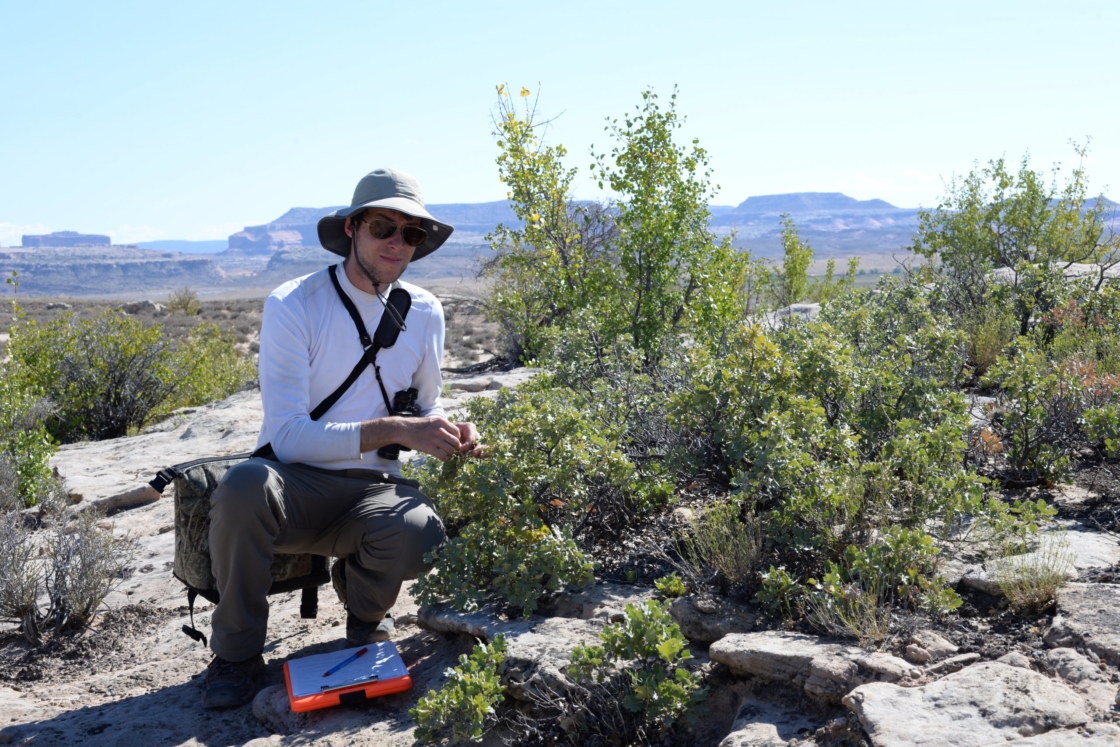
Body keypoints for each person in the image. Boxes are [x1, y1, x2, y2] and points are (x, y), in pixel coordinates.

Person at [200, 168, 482, 709]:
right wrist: (397, 429)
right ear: (352, 228)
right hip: (295, 486)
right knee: (244, 484)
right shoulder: (294, 303)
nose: (398, 243)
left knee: (419, 529)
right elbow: (286, 438)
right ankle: (234, 658)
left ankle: (363, 615)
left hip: (376, 489)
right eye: (384, 227)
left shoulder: (424, 311)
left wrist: (452, 431)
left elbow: (428, 404)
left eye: (413, 234)